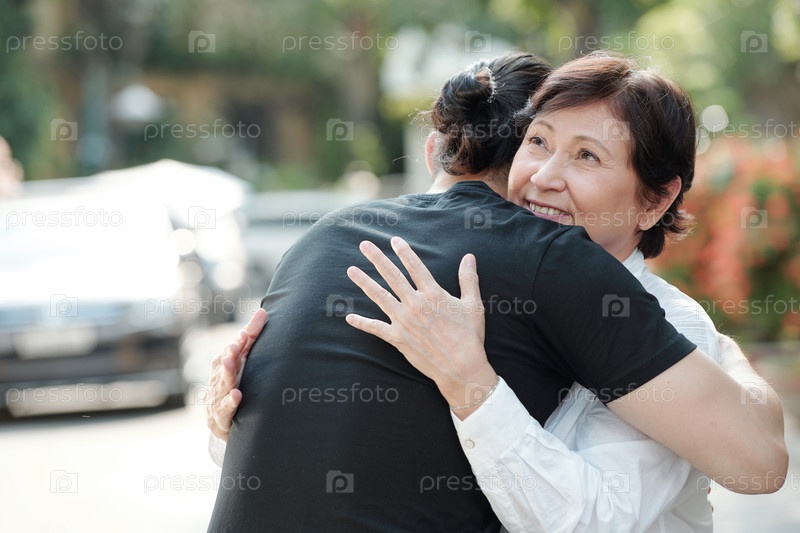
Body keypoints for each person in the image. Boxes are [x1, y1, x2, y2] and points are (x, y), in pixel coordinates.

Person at [206, 52, 786, 532]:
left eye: (587, 156)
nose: (544, 177)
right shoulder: (491, 282)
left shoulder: (670, 325)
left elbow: (601, 520)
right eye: (537, 143)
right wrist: (238, 412)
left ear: (655, 201)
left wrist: (472, 385)